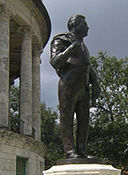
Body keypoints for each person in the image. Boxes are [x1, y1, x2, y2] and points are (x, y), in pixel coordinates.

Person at [50, 15, 101, 159]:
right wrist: (71, 49)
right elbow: (55, 61)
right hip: (68, 84)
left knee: (84, 120)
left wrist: (95, 82)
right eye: (85, 25)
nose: (88, 28)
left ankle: (82, 150)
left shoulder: (85, 48)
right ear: (75, 26)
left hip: (83, 87)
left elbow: (87, 67)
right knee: (67, 118)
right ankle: (69, 151)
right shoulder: (61, 40)